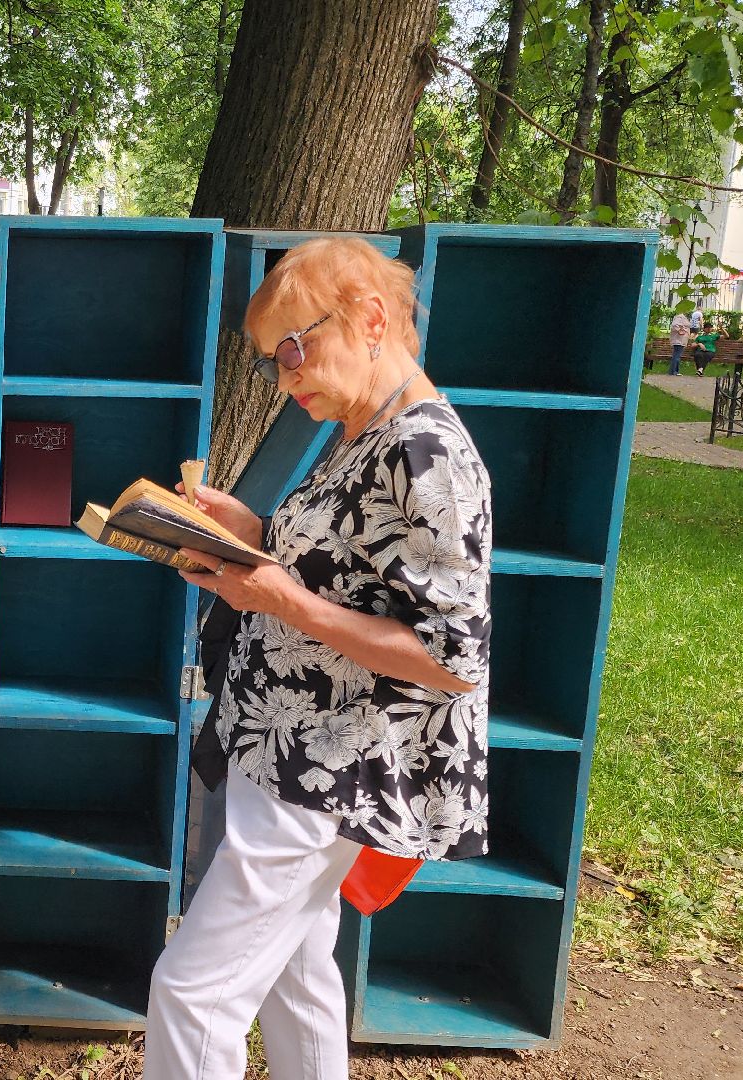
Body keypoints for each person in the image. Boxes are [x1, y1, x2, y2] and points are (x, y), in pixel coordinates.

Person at [145, 237, 492, 1080]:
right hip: (294, 752)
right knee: (296, 978)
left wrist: (282, 601)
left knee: (193, 997)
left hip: (332, 767)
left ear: (370, 318)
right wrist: (250, 533)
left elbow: (454, 657)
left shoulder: (425, 451)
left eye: (293, 349)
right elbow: (350, 570)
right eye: (272, 361)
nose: (284, 376)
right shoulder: (362, 430)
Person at [667, 310, 692, 375]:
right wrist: (680, 330)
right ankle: (674, 371)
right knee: (677, 356)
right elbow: (675, 325)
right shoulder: (680, 317)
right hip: (679, 340)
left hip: (681, 340)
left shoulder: (682, 317)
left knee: (677, 356)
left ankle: (674, 371)